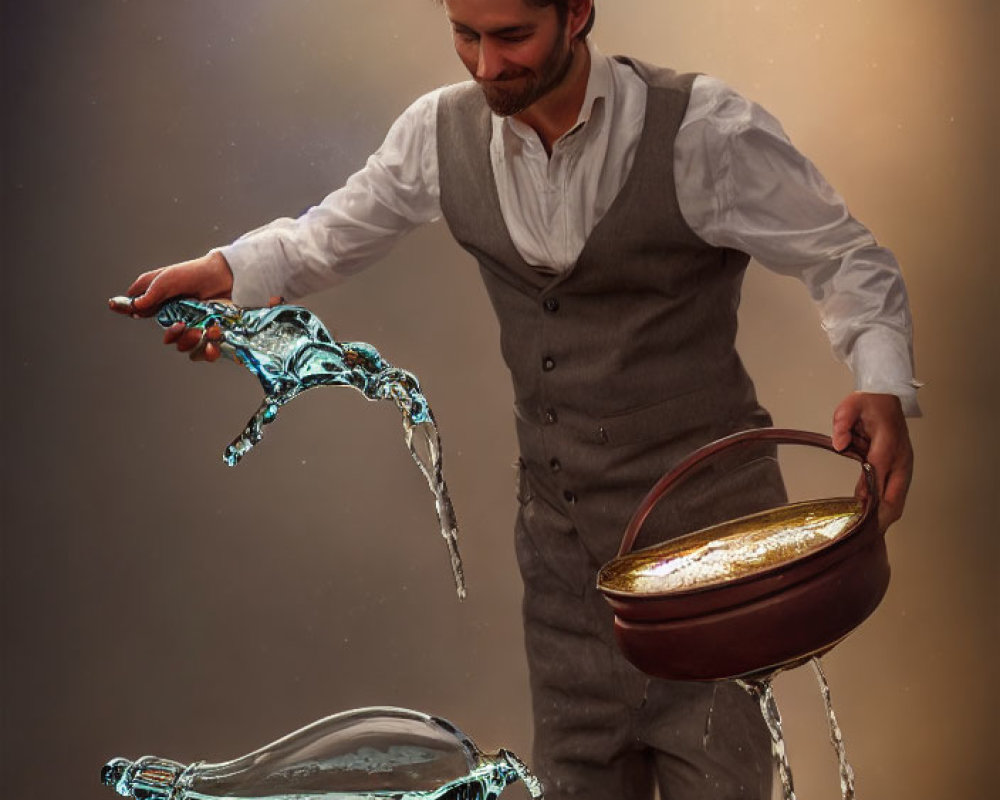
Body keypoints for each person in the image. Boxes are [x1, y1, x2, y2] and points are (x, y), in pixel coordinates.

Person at [111, 1, 917, 798]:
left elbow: (847, 258)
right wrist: (217, 271)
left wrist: (880, 384)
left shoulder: (702, 128)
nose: (487, 66)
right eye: (465, 35)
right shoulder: (440, 133)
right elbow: (321, 238)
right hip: (563, 569)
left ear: (577, 13)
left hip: (709, 567)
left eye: (511, 37)